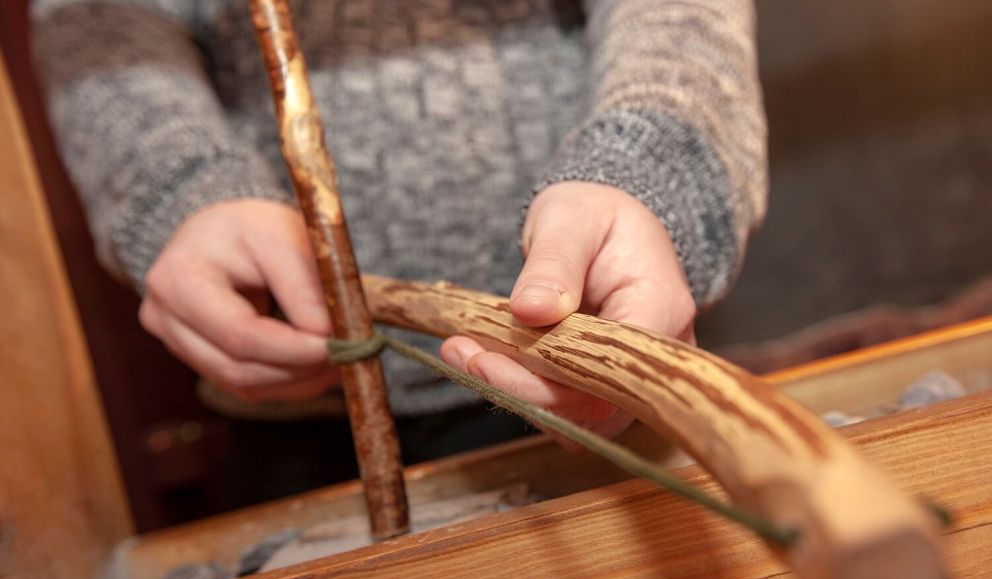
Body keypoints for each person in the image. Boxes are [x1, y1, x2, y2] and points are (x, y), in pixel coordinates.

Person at [32, 0, 766, 441]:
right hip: (300, 411)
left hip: (601, 334)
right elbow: (97, 20)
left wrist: (647, 164)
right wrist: (184, 194)